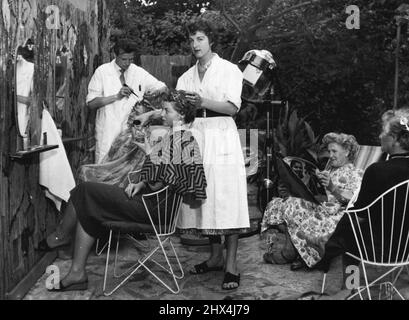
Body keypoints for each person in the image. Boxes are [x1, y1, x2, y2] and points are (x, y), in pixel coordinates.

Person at [45, 91, 207, 291]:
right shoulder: (177, 137)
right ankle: (77, 272)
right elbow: (161, 179)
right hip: (153, 204)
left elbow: (160, 182)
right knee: (88, 206)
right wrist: (140, 182)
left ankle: (62, 237)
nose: (162, 114)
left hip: (153, 210)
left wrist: (149, 154)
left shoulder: (182, 140)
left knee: (83, 190)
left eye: (167, 110)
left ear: (181, 115)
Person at [176, 19, 250, 290]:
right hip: (197, 133)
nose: (195, 44)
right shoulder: (186, 76)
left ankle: (231, 265)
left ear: (211, 41)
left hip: (221, 134)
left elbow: (232, 108)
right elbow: (182, 112)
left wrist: (202, 102)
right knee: (204, 196)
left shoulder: (230, 70)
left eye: (200, 39)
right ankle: (215, 256)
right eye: (192, 39)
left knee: (226, 197)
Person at [316, 109, 409, 297]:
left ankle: (349, 288)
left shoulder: (377, 171)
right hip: (406, 247)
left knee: (348, 233)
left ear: (395, 139)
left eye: (383, 132)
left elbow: (358, 212)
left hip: (378, 247)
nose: (380, 136)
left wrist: (334, 239)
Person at [261, 133, 363, 271]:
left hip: (338, 215)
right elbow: (322, 194)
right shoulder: (331, 169)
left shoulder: (356, 173)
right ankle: (294, 249)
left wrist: (332, 188)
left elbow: (352, 199)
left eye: (334, 151)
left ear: (347, 151)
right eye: (329, 151)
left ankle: (292, 252)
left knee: (297, 210)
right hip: (322, 207)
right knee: (286, 203)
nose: (330, 155)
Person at [86, 39, 167, 163]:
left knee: (127, 173)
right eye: (124, 59)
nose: (127, 63)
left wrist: (154, 93)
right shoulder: (102, 72)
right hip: (108, 133)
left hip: (130, 135)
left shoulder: (138, 72)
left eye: (131, 59)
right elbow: (91, 104)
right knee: (104, 171)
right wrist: (116, 97)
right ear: (115, 55)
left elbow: (163, 88)